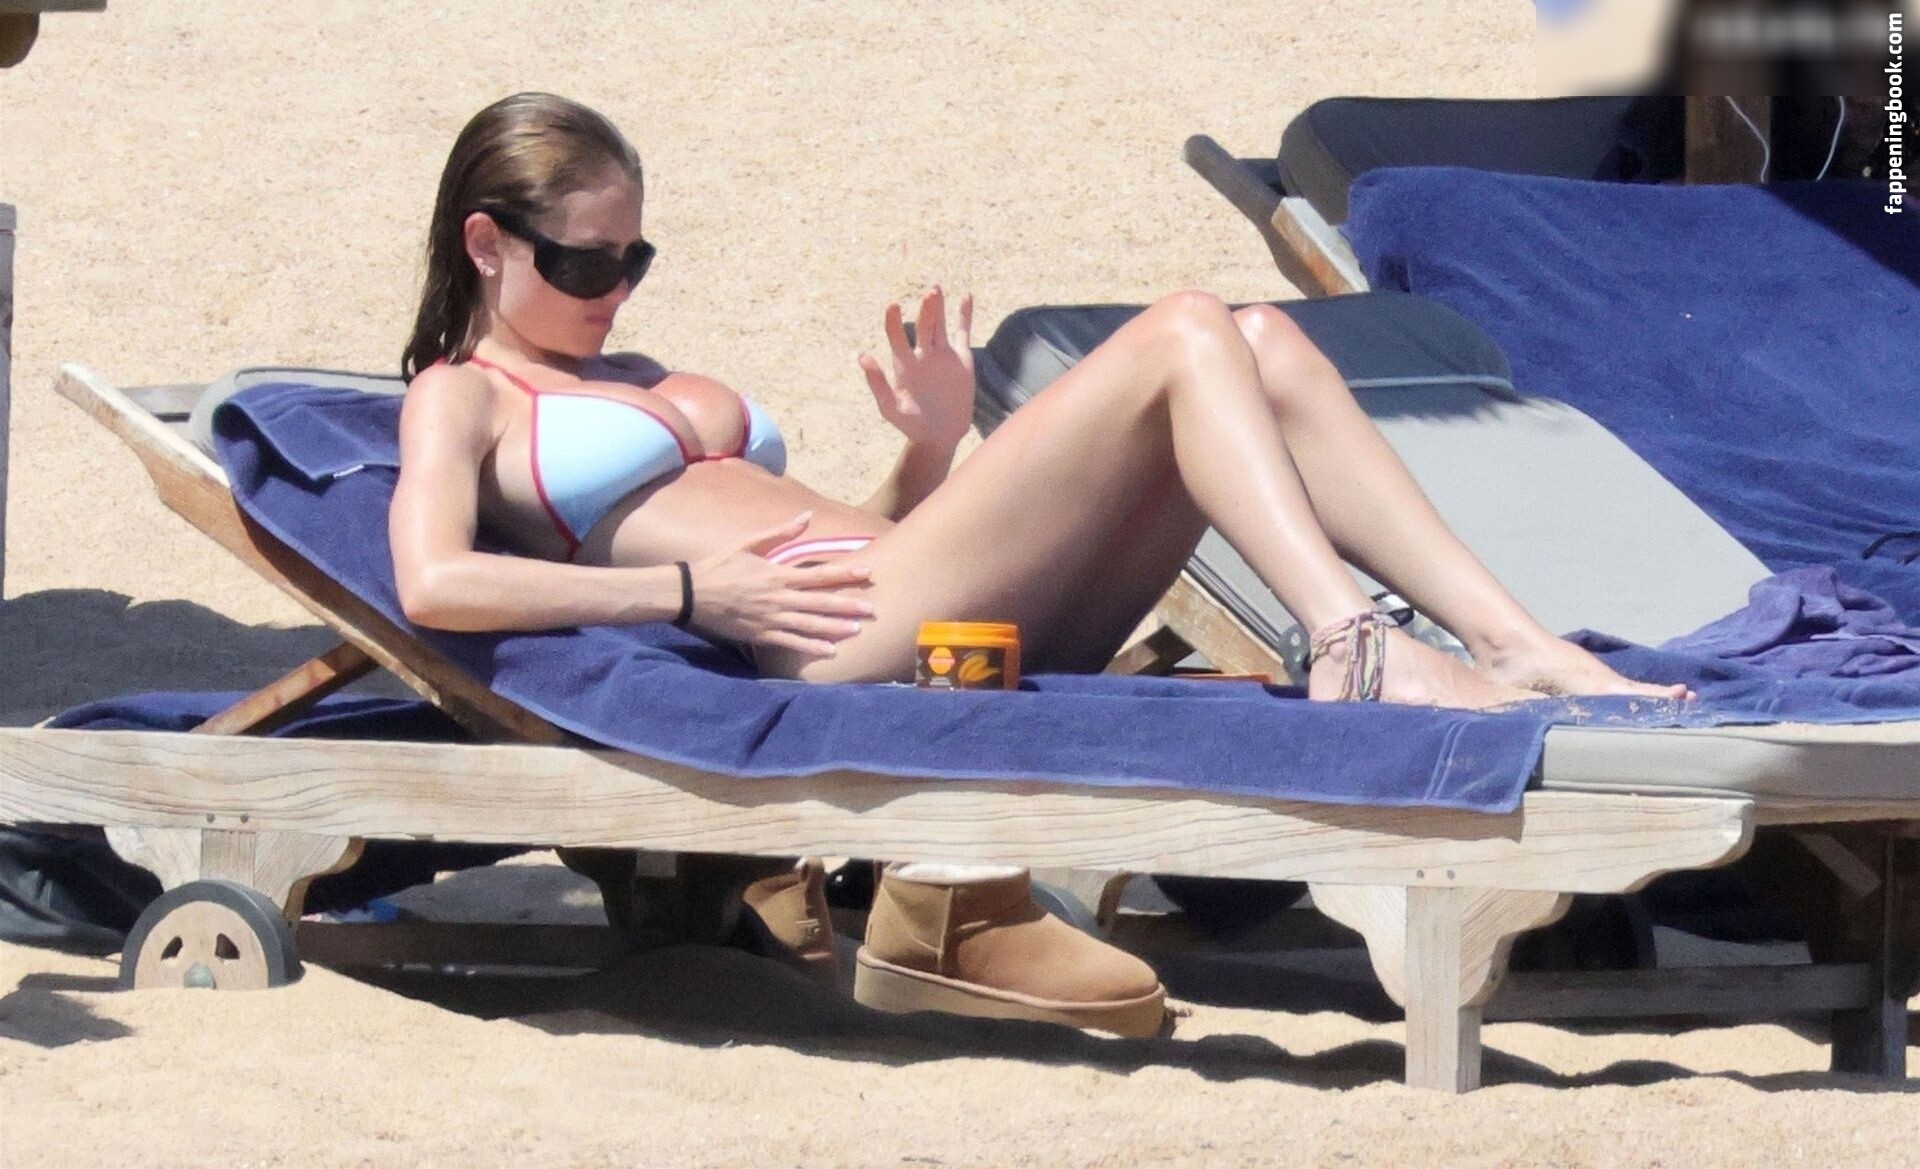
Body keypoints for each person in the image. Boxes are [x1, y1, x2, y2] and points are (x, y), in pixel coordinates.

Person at [389, 93, 1687, 1038]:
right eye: (584, 261)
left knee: (1264, 344)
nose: (615, 287)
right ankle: (1353, 639)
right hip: (844, 651)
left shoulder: (626, 373)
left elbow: (842, 528)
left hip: (919, 601)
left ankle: (1510, 640)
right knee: (1186, 330)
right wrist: (688, 595)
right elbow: (434, 583)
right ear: (487, 244)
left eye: (635, 258)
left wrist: (928, 448)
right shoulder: (464, 397)